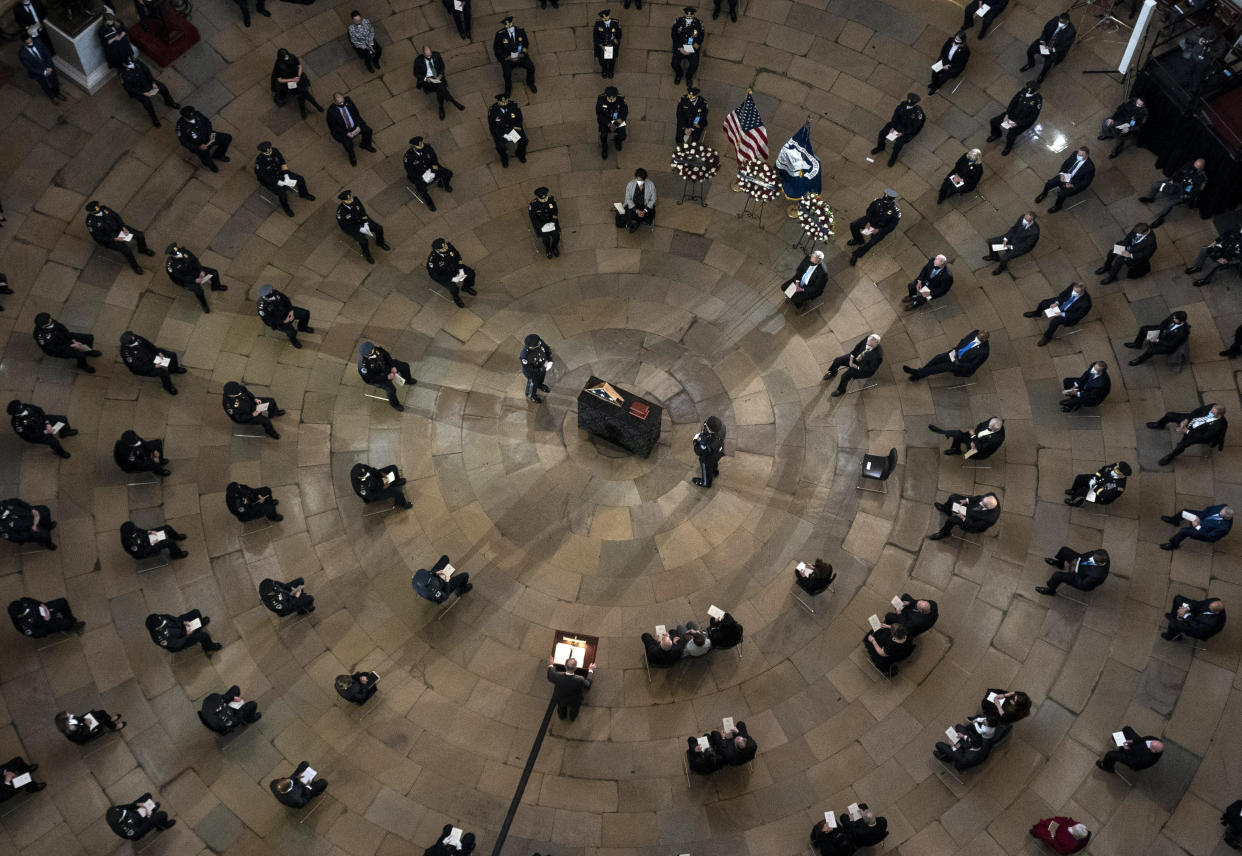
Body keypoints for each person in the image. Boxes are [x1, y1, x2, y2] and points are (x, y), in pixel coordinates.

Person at [85, 200, 154, 275]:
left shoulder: (104, 208)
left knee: (140, 235)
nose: (99, 212)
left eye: (98, 209)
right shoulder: (91, 222)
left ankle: (142, 249)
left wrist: (123, 227)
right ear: (91, 212)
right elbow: (98, 238)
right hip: (110, 238)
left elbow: (116, 216)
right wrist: (114, 239)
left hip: (119, 229)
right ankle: (135, 266)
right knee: (127, 251)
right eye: (96, 212)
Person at [1148, 404, 1227, 465]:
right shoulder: (1212, 406)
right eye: (1211, 410)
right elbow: (1198, 411)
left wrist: (1186, 431)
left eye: (1213, 413)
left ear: (1219, 415)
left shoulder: (1218, 426)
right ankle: (1160, 424)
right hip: (1191, 420)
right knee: (1170, 415)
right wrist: (1186, 420)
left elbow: (1204, 437)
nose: (1210, 412)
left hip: (1196, 433)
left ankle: (1171, 456)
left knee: (1182, 445)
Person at [1138, 158, 1207, 227]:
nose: (1193, 167)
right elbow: (1179, 172)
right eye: (1194, 165)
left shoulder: (1202, 178)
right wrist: (1172, 179)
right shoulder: (1190, 164)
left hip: (1183, 192)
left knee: (1169, 204)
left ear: (1201, 168)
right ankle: (1150, 198)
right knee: (1157, 185)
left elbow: (1195, 193)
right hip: (1175, 183)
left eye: (1196, 167)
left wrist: (1183, 196)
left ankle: (1161, 218)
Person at [254, 141, 314, 218]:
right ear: (263, 152)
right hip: (272, 180)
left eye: (269, 149)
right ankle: (286, 208)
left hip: (282, 173)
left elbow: (282, 162)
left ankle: (304, 194)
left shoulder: (275, 151)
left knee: (300, 179)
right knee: (282, 195)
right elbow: (263, 177)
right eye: (267, 150)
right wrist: (278, 182)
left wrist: (286, 175)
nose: (269, 151)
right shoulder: (260, 161)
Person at [903, 329, 989, 381]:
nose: (977, 337)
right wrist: (956, 350)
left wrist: (958, 363)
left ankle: (917, 373)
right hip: (955, 353)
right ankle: (920, 374)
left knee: (941, 367)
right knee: (937, 358)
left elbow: (972, 366)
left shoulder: (983, 352)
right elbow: (963, 341)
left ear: (984, 340)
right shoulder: (975, 332)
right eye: (978, 335)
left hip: (960, 364)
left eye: (981, 338)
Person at [165, 242, 227, 312]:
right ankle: (204, 305)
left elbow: (195, 260)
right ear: (173, 256)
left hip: (193, 270)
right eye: (178, 255)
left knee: (214, 272)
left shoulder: (184, 252)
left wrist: (201, 270)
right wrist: (194, 280)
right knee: (199, 291)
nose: (181, 255)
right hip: (185, 280)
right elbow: (181, 277)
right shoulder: (170, 266)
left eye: (180, 253)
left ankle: (216, 286)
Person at [1023, 283, 1091, 347]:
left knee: (1054, 322)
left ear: (1081, 293)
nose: (1073, 292)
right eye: (1073, 290)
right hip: (1061, 304)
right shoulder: (1073, 286)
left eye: (1075, 292)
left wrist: (1062, 314)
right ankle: (1037, 313)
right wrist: (1057, 303)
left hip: (1068, 314)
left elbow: (1077, 316)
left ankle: (1047, 337)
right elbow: (1062, 294)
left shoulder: (1086, 303)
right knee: (1044, 303)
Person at [120, 56, 179, 128]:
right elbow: (129, 88)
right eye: (129, 63)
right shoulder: (123, 74)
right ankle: (154, 118)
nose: (131, 63)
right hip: (139, 90)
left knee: (162, 87)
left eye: (131, 61)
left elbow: (147, 71)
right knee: (147, 104)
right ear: (124, 65)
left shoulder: (137, 62)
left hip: (148, 83)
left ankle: (169, 102)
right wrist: (142, 93)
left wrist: (153, 82)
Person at [845, 189, 900, 265]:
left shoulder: (895, 212)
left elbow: (892, 226)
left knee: (871, 243)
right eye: (884, 199)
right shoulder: (877, 201)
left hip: (880, 228)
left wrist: (879, 230)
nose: (884, 202)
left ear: (892, 200)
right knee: (853, 225)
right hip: (870, 221)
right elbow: (869, 211)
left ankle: (857, 254)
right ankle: (858, 240)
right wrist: (867, 221)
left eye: (886, 201)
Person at [987, 81, 1042, 157]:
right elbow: (1012, 103)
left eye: (1031, 89)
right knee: (994, 122)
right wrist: (1007, 115)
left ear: (1035, 90)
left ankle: (1008, 148)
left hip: (1021, 122)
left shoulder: (1037, 100)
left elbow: (1032, 118)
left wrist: (1017, 123)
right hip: (1011, 115)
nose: (1028, 90)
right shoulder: (1022, 91)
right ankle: (996, 134)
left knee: (1011, 136)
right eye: (1028, 88)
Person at [120, 330, 186, 394]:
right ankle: (168, 387)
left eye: (133, 336)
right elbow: (138, 367)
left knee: (172, 355)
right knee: (164, 373)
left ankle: (174, 369)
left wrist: (158, 352)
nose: (135, 337)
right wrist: (154, 366)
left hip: (152, 355)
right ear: (129, 343)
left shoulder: (135, 337)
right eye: (133, 337)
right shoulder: (127, 354)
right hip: (146, 366)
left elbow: (148, 344)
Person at [33, 313, 100, 373]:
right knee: (80, 354)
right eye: (50, 321)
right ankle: (82, 365)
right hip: (59, 348)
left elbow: (63, 329)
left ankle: (88, 351)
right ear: (44, 326)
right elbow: (53, 349)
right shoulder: (41, 336)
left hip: (65, 337)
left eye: (50, 319)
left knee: (89, 338)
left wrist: (73, 340)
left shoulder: (49, 321)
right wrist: (72, 346)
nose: (51, 320)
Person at [871, 93, 925, 168]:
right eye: (908, 100)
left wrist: (902, 133)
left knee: (898, 145)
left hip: (905, 130)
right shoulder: (903, 104)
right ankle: (880, 147)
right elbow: (895, 116)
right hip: (896, 125)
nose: (908, 101)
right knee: (882, 133)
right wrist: (893, 127)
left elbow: (914, 127)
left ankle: (893, 158)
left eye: (910, 100)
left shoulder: (918, 113)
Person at [1035, 147, 1095, 214]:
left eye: (1081, 155)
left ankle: (1057, 206)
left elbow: (1085, 182)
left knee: (1061, 194)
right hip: (1065, 175)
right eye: (1078, 154)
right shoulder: (1075, 153)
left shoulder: (1090, 167)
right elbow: (1066, 163)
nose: (1078, 156)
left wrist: (1072, 185)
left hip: (1074, 182)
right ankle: (1044, 194)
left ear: (1087, 155)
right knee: (1049, 183)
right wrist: (1061, 174)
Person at [336, 190, 390, 265]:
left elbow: (362, 211)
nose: (351, 200)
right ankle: (367, 254)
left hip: (362, 221)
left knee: (379, 228)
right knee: (363, 241)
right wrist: (360, 229)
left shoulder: (356, 200)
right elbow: (345, 227)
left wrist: (366, 223)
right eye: (349, 199)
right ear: (343, 201)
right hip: (353, 228)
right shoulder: (340, 213)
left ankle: (380, 242)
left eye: (351, 197)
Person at [8, 399, 75, 458]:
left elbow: (40, 410)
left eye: (21, 405)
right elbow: (30, 436)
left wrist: (47, 423)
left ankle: (64, 432)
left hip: (42, 421)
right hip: (37, 433)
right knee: (54, 441)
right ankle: (60, 452)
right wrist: (45, 432)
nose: (23, 407)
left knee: (63, 419)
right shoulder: (17, 424)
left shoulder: (26, 406)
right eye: (21, 407)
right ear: (17, 412)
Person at [358, 342, 416, 410]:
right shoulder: (363, 366)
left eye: (373, 350)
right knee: (391, 389)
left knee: (405, 366)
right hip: (378, 376)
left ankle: (407, 380)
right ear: (365, 355)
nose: (374, 353)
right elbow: (371, 379)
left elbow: (386, 355)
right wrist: (387, 377)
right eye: (371, 353)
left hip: (386, 366)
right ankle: (394, 404)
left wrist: (392, 366)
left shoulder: (377, 349)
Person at [1021, 12, 1076, 84]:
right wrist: (1042, 40)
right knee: (1030, 51)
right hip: (1045, 43)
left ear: (1067, 21)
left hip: (1054, 50)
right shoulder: (1055, 20)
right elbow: (1045, 30)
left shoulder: (1071, 32)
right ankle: (1031, 64)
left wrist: (1052, 49)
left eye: (1062, 22)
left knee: (1047, 64)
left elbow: (1065, 46)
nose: (1059, 23)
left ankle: (1041, 75)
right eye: (1059, 21)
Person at [415, 45, 465, 120]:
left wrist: (440, 75)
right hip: (428, 82)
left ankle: (441, 107)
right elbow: (417, 74)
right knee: (441, 88)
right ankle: (453, 101)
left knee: (440, 88)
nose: (429, 56)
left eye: (430, 54)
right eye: (427, 55)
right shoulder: (418, 61)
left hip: (438, 78)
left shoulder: (436, 56)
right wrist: (426, 79)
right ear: (423, 54)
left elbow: (442, 67)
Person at [404, 137, 454, 212]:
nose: (422, 148)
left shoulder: (427, 147)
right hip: (420, 176)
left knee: (448, 173)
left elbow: (434, 158)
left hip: (431, 169)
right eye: (419, 148)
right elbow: (410, 172)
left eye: (422, 146)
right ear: (413, 147)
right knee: (422, 190)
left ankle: (443, 185)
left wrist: (433, 168)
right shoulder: (408, 157)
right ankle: (429, 202)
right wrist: (421, 178)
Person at [176, 106, 232, 172]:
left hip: (208, 136)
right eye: (190, 118)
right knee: (206, 159)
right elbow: (184, 142)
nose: (193, 118)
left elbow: (207, 122)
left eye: (193, 116)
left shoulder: (197, 114)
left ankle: (218, 155)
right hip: (198, 144)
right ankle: (211, 165)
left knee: (227, 138)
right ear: (184, 117)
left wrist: (210, 133)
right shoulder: (181, 127)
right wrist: (198, 147)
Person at [326, 92, 376, 166]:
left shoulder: (348, 100)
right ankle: (352, 156)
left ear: (343, 97)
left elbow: (356, 113)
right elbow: (334, 127)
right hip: (343, 131)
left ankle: (365, 145)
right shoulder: (331, 112)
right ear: (334, 102)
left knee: (368, 131)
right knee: (348, 144)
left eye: (342, 101)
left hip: (355, 125)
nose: (342, 103)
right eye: (339, 103)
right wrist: (346, 133)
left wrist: (358, 126)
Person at [933, 716, 1000, 770]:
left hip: (962, 756)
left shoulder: (969, 757)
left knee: (938, 744)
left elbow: (960, 757)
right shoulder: (982, 742)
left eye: (969, 740)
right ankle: (958, 743)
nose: (969, 738)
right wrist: (963, 736)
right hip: (970, 750)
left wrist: (953, 746)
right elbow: (970, 740)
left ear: (971, 744)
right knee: (958, 726)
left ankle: (947, 759)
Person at [270, 49, 322, 119]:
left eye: (287, 56)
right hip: (290, 82)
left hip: (298, 78)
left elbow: (299, 66)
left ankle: (305, 109)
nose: (286, 57)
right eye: (285, 57)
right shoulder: (278, 65)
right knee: (303, 93)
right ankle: (314, 105)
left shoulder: (292, 57)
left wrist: (298, 76)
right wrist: (292, 80)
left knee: (303, 93)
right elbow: (279, 80)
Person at [1125, 310, 1189, 366]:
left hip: (1167, 344)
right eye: (1174, 317)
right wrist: (1156, 333)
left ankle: (1139, 360)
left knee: (1151, 350)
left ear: (1181, 321)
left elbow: (1171, 344)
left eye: (1175, 319)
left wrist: (1157, 340)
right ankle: (1137, 344)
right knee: (1143, 329)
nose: (1173, 319)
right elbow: (1164, 323)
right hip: (1162, 331)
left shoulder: (1183, 332)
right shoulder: (1175, 315)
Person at [1037, 548, 1110, 596]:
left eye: (1093, 560)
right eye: (1092, 558)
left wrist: (1074, 572)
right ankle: (1060, 564)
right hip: (1080, 562)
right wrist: (1077, 560)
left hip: (1080, 578)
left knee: (1057, 575)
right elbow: (1086, 555)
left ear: (1098, 564)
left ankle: (1051, 590)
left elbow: (1083, 584)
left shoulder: (1097, 574)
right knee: (1064, 550)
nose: (1091, 559)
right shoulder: (1101, 552)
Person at [493, 16, 536, 97]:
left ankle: (530, 83)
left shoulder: (520, 31)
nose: (509, 27)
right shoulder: (500, 35)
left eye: (511, 25)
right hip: (508, 58)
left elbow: (526, 44)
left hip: (520, 56)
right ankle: (508, 90)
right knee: (507, 74)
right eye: (507, 26)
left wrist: (522, 54)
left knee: (531, 67)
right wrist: (506, 58)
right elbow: (497, 49)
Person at [928, 492, 1000, 540]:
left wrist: (963, 518)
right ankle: (946, 509)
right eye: (982, 500)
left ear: (987, 507)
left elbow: (975, 525)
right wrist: (967, 500)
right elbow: (977, 498)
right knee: (953, 497)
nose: (980, 502)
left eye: (982, 503)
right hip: (970, 508)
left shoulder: (990, 519)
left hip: (971, 521)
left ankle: (944, 533)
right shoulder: (991, 496)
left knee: (952, 519)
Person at [145, 610, 221, 655]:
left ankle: (199, 625)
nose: (162, 618)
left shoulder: (158, 618)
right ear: (157, 627)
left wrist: (183, 622)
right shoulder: (160, 638)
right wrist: (187, 635)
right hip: (181, 640)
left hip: (178, 626)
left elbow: (170, 617)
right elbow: (177, 643)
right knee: (203, 636)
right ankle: (208, 646)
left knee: (196, 612)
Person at [1159, 504, 1233, 550]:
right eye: (1221, 510)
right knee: (1184, 512)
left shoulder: (1224, 527)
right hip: (1202, 519)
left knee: (1184, 531)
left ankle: (1173, 545)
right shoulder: (1223, 507)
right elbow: (1208, 509)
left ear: (1225, 517)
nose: (1219, 512)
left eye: (1221, 513)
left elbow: (1209, 536)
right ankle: (1174, 520)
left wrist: (1197, 526)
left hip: (1203, 531)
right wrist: (1199, 518)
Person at [928, 417, 1004, 459]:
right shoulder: (993, 420)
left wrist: (974, 439)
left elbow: (981, 448)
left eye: (989, 426)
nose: (987, 425)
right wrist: (974, 435)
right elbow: (980, 425)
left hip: (978, 450)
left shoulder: (996, 440)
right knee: (957, 433)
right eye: (988, 424)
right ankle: (942, 432)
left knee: (966, 456)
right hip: (974, 437)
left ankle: (960, 452)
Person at [1097, 725, 1163, 774]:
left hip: (1132, 759)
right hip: (1137, 746)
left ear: (1153, 750)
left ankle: (1107, 767)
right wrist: (1130, 741)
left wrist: (1126, 747)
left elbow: (1134, 759)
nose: (1150, 741)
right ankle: (1120, 743)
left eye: (1151, 744)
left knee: (1110, 754)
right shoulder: (1155, 741)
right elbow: (1142, 740)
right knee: (1127, 729)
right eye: (1152, 741)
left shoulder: (1147, 758)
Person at [106, 793, 175, 839]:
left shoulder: (113, 811)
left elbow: (126, 806)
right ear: (120, 820)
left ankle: (151, 809)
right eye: (120, 812)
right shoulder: (127, 830)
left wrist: (138, 804)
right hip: (139, 826)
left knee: (148, 795)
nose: (119, 810)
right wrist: (149, 816)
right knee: (163, 814)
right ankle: (162, 826)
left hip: (133, 814)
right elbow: (143, 829)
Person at [546, 656, 593, 720]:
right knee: (574, 709)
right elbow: (588, 685)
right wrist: (590, 670)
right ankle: (572, 717)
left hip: (560, 698)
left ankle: (562, 716)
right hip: (574, 700)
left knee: (561, 707)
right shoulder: (580, 679)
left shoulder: (557, 675)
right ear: (576, 668)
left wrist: (551, 664)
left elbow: (550, 675)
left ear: (565, 666)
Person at [18, 34, 62, 103]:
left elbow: (47, 53)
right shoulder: (22, 54)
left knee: (54, 81)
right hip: (38, 73)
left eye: (31, 41)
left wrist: (49, 67)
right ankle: (52, 97)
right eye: (28, 43)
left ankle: (57, 93)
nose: (31, 43)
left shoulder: (38, 42)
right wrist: (44, 72)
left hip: (48, 67)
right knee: (44, 85)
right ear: (24, 43)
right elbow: (29, 67)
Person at [488, 93, 528, 168]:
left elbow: (519, 120)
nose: (504, 105)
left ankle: (520, 153)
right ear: (498, 102)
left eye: (505, 103)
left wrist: (513, 131)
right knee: (500, 147)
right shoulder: (493, 110)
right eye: (502, 103)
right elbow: (492, 125)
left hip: (513, 130)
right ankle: (504, 158)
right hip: (501, 132)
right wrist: (501, 134)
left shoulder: (513, 106)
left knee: (524, 141)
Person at [8, 597, 83, 636]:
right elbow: (39, 633)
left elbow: (32, 601)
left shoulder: (23, 602)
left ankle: (69, 617)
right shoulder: (24, 626)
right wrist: (47, 622)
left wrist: (42, 604)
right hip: (45, 624)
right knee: (65, 623)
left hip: (44, 610)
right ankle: (70, 626)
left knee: (62, 602)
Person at [671, 7, 705, 86]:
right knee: (674, 64)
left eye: (691, 16)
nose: (689, 18)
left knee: (694, 65)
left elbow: (700, 38)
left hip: (692, 48)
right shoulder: (678, 22)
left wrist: (692, 49)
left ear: (693, 15)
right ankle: (679, 74)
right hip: (680, 46)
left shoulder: (698, 24)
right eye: (687, 16)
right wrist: (679, 47)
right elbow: (674, 35)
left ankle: (688, 77)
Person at [121, 520, 187, 560]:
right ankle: (175, 555)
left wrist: (153, 533)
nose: (136, 527)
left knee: (167, 528)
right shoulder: (130, 543)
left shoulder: (133, 531)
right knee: (170, 542)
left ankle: (176, 537)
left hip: (146, 539)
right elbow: (141, 553)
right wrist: (154, 544)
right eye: (134, 528)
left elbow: (143, 531)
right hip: (147, 549)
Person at [929, 31, 970, 95]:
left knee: (943, 78)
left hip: (955, 66)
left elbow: (961, 62)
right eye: (956, 38)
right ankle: (934, 84)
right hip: (945, 60)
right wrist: (945, 64)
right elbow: (943, 51)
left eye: (958, 40)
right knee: (934, 71)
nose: (956, 40)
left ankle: (936, 87)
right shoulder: (950, 41)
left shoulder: (965, 50)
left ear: (962, 40)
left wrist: (949, 65)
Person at [692, 416, 725, 487]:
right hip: (718, 452)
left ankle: (705, 483)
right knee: (714, 462)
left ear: (710, 430)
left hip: (707, 458)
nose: (705, 425)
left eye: (706, 426)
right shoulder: (722, 427)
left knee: (706, 468)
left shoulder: (707, 442)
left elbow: (698, 451)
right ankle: (715, 472)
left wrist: (695, 441)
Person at [619, 168, 656, 232]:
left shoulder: (651, 185)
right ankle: (635, 222)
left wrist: (644, 210)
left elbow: (653, 199)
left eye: (642, 180)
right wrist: (636, 210)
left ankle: (636, 222)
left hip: (645, 206)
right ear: (635, 177)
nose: (640, 183)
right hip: (633, 205)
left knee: (647, 215)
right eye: (638, 180)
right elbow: (628, 199)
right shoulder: (630, 184)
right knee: (629, 213)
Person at [56, 710, 125, 743]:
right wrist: (87, 725)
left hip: (84, 724)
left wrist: (84, 719)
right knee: (104, 720)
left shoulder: (70, 720)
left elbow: (76, 718)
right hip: (88, 732)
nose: (71, 715)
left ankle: (109, 720)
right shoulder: (71, 732)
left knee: (102, 712)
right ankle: (113, 727)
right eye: (69, 716)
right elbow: (83, 736)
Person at [520, 333, 553, 403]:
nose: (540, 343)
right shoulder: (525, 355)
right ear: (532, 347)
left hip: (542, 366)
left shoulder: (539, 341)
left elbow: (547, 348)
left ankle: (540, 385)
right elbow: (529, 369)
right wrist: (542, 369)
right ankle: (531, 395)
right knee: (533, 383)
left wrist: (550, 360)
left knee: (541, 378)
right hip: (532, 373)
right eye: (539, 343)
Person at [597, 86, 628, 159]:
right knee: (603, 136)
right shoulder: (601, 99)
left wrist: (616, 124)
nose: (612, 99)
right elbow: (599, 114)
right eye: (610, 97)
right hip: (606, 121)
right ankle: (604, 147)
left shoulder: (621, 99)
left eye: (614, 97)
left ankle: (617, 140)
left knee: (623, 136)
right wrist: (608, 124)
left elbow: (624, 114)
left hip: (617, 120)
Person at [529, 187, 560, 258]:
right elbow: (533, 217)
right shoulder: (533, 204)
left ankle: (554, 247)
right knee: (546, 239)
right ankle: (548, 249)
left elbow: (555, 210)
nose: (544, 200)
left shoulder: (551, 200)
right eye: (542, 199)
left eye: (545, 198)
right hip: (542, 225)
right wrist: (543, 225)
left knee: (556, 237)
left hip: (552, 222)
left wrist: (553, 221)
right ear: (538, 197)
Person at [593, 9, 622, 78]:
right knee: (602, 60)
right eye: (603, 18)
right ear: (602, 18)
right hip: (602, 47)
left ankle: (611, 71)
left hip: (612, 46)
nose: (605, 19)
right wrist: (601, 45)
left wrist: (612, 44)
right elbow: (595, 36)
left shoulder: (615, 24)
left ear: (609, 16)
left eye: (606, 17)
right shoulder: (598, 24)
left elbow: (619, 36)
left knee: (612, 60)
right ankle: (604, 70)